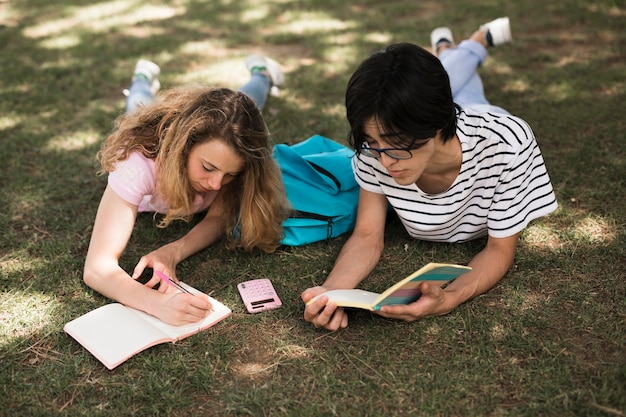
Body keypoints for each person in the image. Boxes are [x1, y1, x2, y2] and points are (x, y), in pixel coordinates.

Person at [302, 17, 558, 330]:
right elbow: (367, 236)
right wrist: (332, 293)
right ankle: (449, 48)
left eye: (397, 146)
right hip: (439, 114)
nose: (386, 162)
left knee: (468, 97)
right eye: (373, 144)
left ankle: (474, 42)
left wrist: (450, 298)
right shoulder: (375, 151)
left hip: (482, 120)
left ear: (436, 125)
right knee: (445, 86)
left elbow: (499, 249)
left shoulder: (506, 144)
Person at [83, 55, 289, 326]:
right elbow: (97, 268)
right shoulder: (138, 163)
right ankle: (142, 78)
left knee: (248, 101)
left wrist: (172, 251)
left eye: (229, 175)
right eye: (208, 167)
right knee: (137, 105)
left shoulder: (238, 160)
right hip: (152, 141)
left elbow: (217, 218)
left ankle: (262, 72)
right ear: (184, 147)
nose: (216, 184)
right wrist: (158, 304)